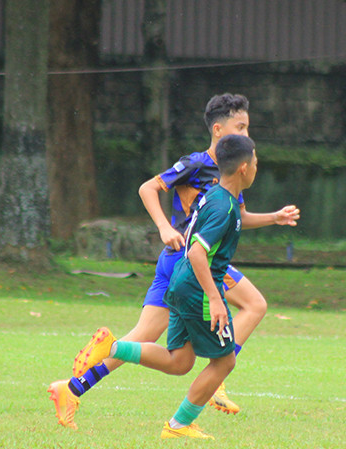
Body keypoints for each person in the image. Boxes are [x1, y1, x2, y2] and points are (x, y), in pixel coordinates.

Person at [47, 93, 298, 429]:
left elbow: (239, 217)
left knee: (142, 339)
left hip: (176, 262)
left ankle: (73, 387)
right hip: (190, 258)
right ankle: (218, 376)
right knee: (254, 305)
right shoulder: (198, 164)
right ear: (220, 130)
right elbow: (148, 188)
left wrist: (274, 218)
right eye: (241, 127)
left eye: (248, 128)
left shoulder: (235, 169)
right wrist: (164, 227)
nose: (247, 135)